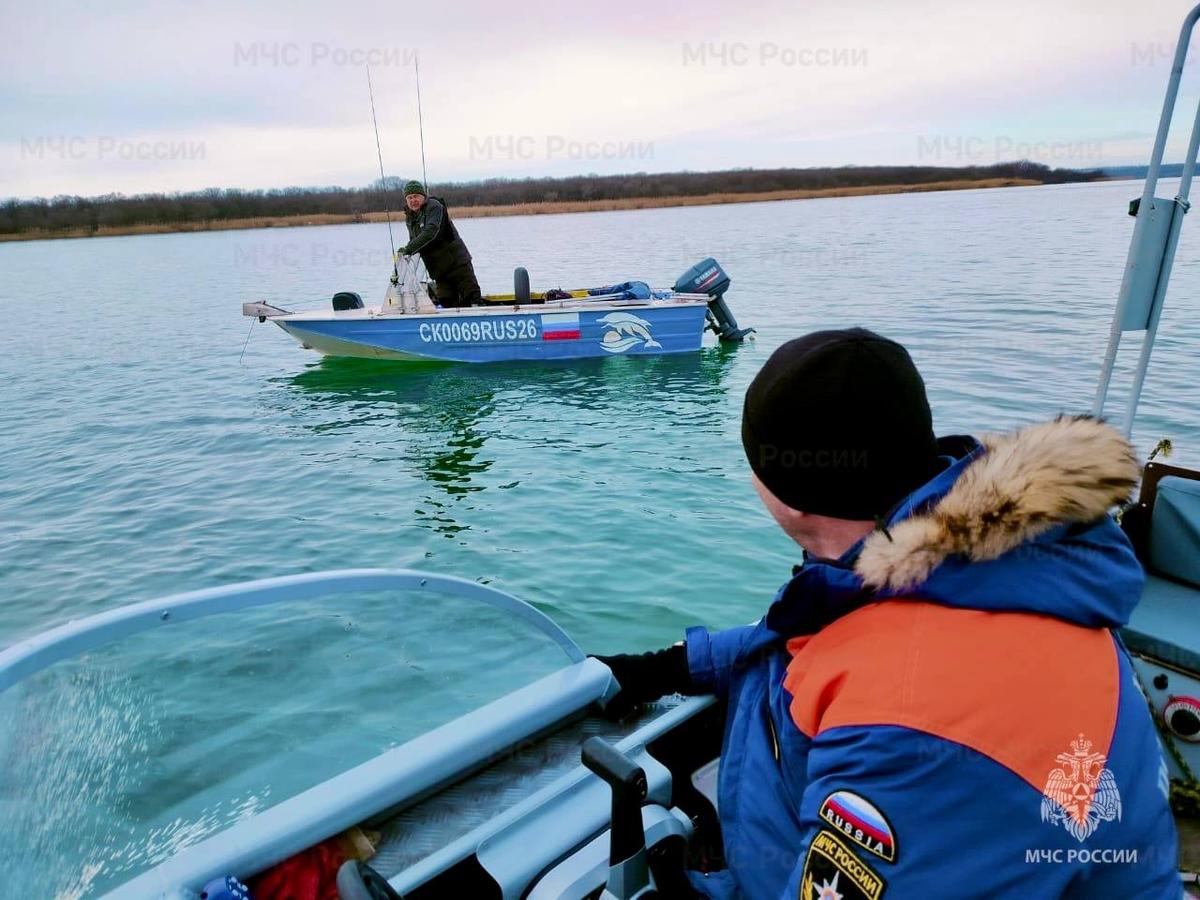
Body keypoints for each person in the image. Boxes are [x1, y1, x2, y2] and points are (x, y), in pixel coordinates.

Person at [596, 328, 1180, 898]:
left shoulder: (910, 725)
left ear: (782, 489)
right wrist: (675, 665)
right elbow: (821, 634)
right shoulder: (982, 566)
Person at [399, 180, 482, 308]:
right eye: (409, 198)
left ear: (423, 196)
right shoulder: (410, 217)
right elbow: (414, 240)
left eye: (416, 196)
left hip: (456, 263)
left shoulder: (434, 206)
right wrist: (405, 252)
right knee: (446, 302)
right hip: (438, 269)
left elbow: (431, 232)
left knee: (471, 298)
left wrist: (409, 249)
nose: (412, 200)